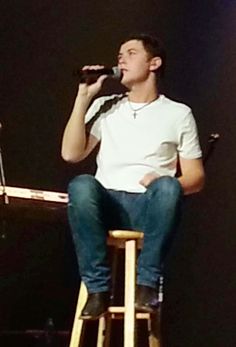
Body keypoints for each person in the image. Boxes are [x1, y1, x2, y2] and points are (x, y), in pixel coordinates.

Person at [61, 33, 205, 320]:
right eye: (119, 55)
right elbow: (70, 154)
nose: (121, 59)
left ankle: (147, 285)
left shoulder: (178, 113)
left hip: (148, 207)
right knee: (80, 185)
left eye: (130, 53)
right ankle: (98, 290)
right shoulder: (107, 105)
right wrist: (83, 98)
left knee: (168, 186)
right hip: (108, 205)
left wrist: (167, 184)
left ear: (154, 63)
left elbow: (196, 177)